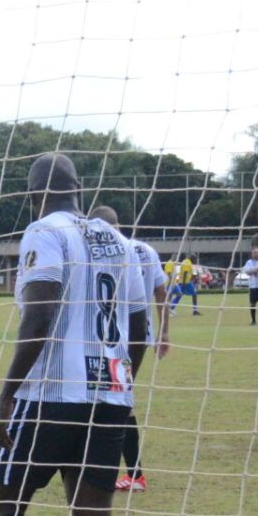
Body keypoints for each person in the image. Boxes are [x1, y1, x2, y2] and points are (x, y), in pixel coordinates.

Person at [0, 154, 150, 516]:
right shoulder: (121, 244)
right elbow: (140, 328)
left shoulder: (44, 230)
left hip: (50, 396)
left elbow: (41, 308)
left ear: (32, 192)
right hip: (109, 398)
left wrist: (8, 394)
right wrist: (119, 386)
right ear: (80, 187)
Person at [90, 206, 169, 491]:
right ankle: (117, 470)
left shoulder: (103, 251)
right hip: (137, 336)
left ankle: (134, 474)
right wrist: (164, 331)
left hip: (111, 339)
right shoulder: (146, 250)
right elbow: (161, 291)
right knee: (115, 398)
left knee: (119, 402)